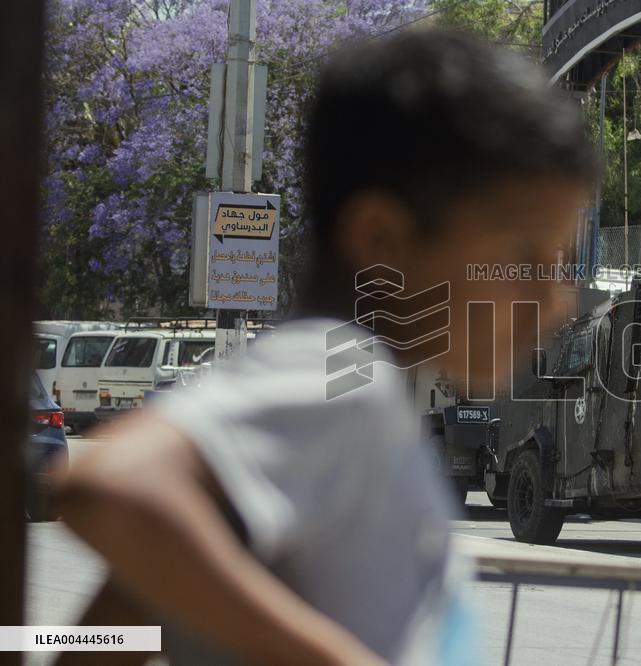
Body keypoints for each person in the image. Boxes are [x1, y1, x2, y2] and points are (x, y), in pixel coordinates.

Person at [54, 30, 594, 666]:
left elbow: (120, 624)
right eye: (524, 257)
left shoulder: (361, 402)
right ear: (381, 240)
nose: (556, 301)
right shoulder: (338, 377)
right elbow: (109, 485)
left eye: (559, 263)